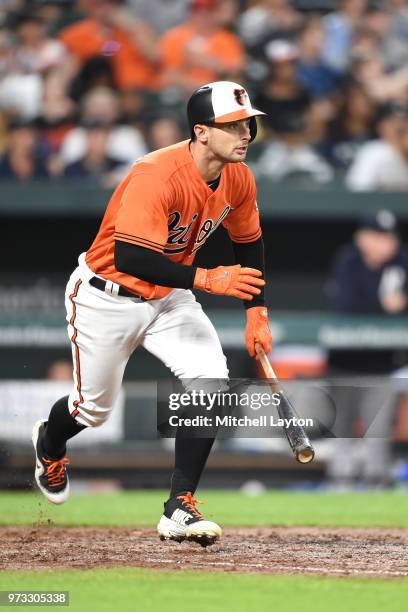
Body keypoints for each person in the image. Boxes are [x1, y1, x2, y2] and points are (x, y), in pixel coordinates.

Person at [32, 80, 272, 545]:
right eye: (233, 125)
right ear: (201, 131)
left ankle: (179, 506)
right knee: (92, 410)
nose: (245, 133)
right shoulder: (156, 172)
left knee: (211, 382)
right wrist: (207, 279)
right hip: (107, 295)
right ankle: (50, 442)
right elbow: (130, 258)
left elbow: (250, 243)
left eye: (249, 124)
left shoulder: (239, 176)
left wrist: (256, 311)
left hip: (169, 297)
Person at [326, 210, 408, 488]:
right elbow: (347, 307)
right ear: (362, 238)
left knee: (378, 431)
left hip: (383, 365)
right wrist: (384, 305)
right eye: (377, 236)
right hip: (344, 363)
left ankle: (376, 483)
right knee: (343, 427)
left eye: (389, 237)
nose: (385, 243)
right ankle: (341, 484)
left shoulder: (402, 262)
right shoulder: (348, 260)